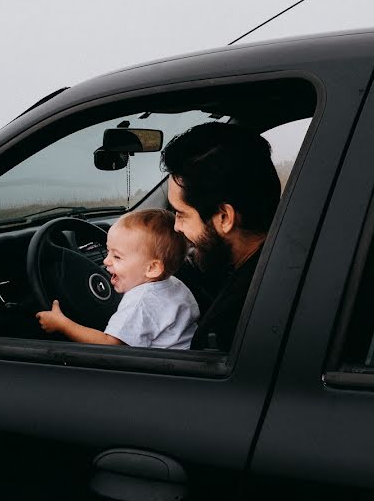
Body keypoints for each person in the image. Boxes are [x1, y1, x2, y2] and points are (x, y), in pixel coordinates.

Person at [162, 122, 281, 351]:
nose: (176, 226)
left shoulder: (237, 321)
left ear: (225, 217)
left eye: (181, 214)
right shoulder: (273, 264)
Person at [36, 208, 199, 349]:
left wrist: (62, 324)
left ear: (152, 268)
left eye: (117, 257)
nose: (106, 261)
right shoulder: (175, 285)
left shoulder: (140, 302)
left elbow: (111, 347)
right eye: (107, 252)